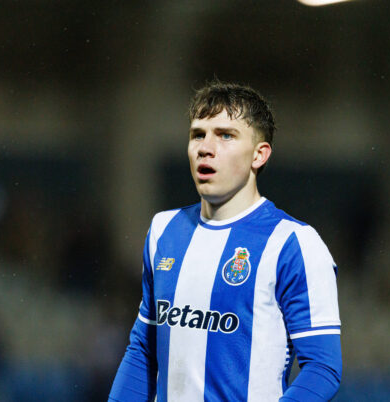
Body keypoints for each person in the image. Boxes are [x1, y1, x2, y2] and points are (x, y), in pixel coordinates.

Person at [109, 81, 342, 401]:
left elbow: (322, 368)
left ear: (259, 155)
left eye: (225, 135)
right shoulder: (164, 230)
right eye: (197, 134)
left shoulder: (294, 243)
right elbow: (143, 351)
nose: (206, 147)